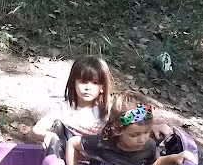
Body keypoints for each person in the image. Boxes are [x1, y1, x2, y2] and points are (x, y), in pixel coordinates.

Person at [65, 91, 196, 165]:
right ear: (118, 131)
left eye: (146, 132)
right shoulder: (103, 142)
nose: (142, 139)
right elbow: (73, 143)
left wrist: (175, 158)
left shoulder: (148, 146)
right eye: (134, 135)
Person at [32, 56, 173, 155]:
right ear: (73, 83)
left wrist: (155, 127)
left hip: (114, 162)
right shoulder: (65, 109)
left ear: (103, 87)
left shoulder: (109, 106)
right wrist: (49, 136)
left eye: (94, 83)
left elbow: (136, 119)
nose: (88, 88)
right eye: (82, 82)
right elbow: (37, 129)